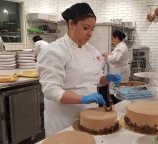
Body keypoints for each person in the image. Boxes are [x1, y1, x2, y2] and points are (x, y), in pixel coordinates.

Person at [37, 2, 122, 136]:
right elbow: (51, 91)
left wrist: (107, 78)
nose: (90, 33)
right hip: (63, 121)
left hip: (90, 118)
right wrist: (83, 98)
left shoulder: (92, 51)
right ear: (71, 24)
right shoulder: (54, 51)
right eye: (85, 28)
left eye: (92, 29)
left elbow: (96, 79)